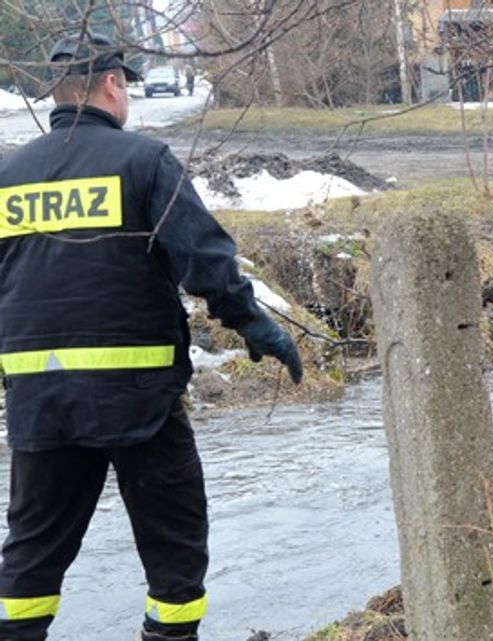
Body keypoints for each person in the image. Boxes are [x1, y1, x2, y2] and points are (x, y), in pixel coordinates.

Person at [0, 31, 303, 641]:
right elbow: (204, 259)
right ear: (113, 84)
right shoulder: (143, 161)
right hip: (139, 402)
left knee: (31, 553)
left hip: (40, 404)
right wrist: (253, 322)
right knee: (174, 552)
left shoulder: (8, 175)